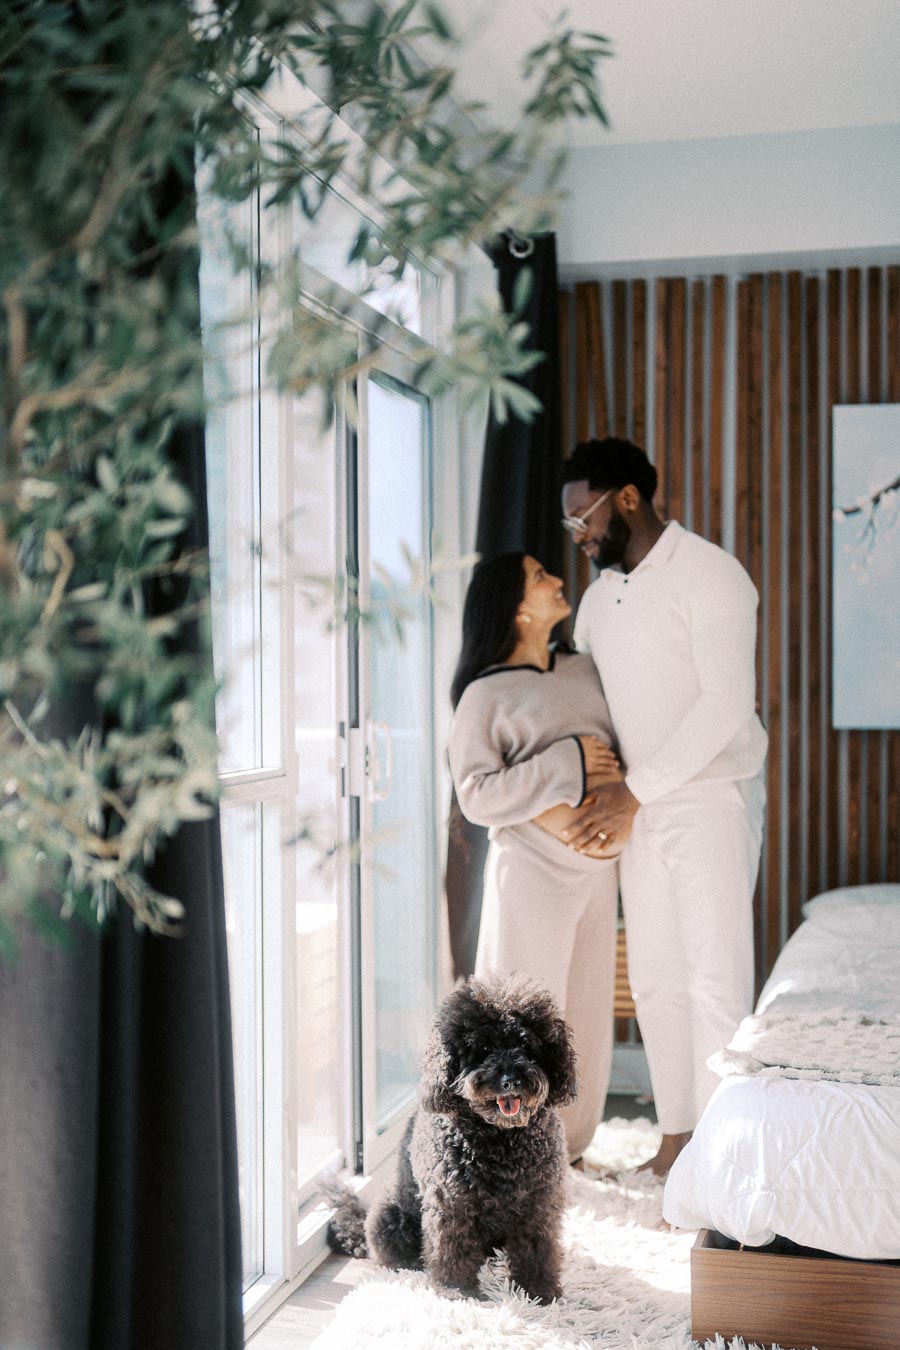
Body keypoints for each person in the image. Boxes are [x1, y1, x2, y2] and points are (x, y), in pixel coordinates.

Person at [560, 437, 767, 1176]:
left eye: (583, 517)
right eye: (570, 524)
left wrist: (632, 790)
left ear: (627, 499)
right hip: (638, 809)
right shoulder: (596, 600)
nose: (579, 534)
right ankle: (677, 1139)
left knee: (714, 977)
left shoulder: (711, 574)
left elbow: (725, 706)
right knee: (653, 976)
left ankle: (726, 1156)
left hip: (710, 798)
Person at [448, 552, 622, 1163]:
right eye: (540, 576)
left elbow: (625, 756)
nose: (556, 579)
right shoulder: (485, 694)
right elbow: (476, 795)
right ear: (518, 607)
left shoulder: (589, 672)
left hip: (599, 873)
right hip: (530, 875)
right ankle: (513, 1154)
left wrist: (613, 804)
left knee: (587, 1019)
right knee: (525, 1023)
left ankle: (571, 1149)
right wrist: (566, 764)